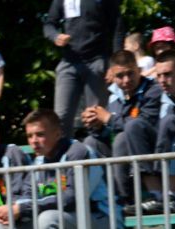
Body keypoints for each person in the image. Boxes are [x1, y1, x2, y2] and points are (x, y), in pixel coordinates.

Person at [81, 50, 162, 203]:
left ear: (139, 71)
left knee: (123, 137)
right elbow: (108, 132)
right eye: (119, 76)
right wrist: (97, 125)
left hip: (153, 154)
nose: (126, 80)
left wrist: (108, 118)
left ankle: (124, 199)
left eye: (130, 73)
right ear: (112, 75)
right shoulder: (114, 97)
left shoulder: (154, 90)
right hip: (125, 159)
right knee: (91, 143)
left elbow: (141, 126)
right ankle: (105, 197)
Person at [43, 0, 124, 137]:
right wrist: (55, 36)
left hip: (97, 62)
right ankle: (65, 156)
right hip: (69, 62)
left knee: (94, 118)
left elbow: (118, 26)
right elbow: (49, 24)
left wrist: (115, 63)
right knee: (60, 118)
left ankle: (98, 154)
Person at [149, 52, 175, 214]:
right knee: (133, 128)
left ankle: (171, 195)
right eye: (159, 75)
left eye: (168, 74)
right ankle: (157, 195)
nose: (162, 80)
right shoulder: (155, 95)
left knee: (170, 121)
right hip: (168, 152)